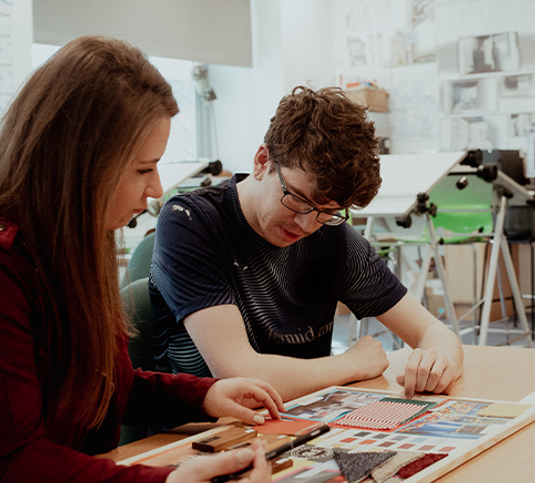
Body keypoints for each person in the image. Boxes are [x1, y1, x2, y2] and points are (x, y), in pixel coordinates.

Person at [0, 36, 286, 483]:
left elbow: (98, 386)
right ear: (79, 163)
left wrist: (201, 396)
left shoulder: (71, 239)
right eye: (143, 169)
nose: (155, 191)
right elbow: (8, 466)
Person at [151, 86, 464, 402]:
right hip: (204, 435)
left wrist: (438, 360)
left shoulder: (331, 235)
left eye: (327, 212)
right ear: (262, 161)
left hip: (300, 420)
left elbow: (434, 332)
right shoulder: (191, 221)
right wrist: (350, 364)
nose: (306, 225)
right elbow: (240, 377)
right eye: (298, 201)